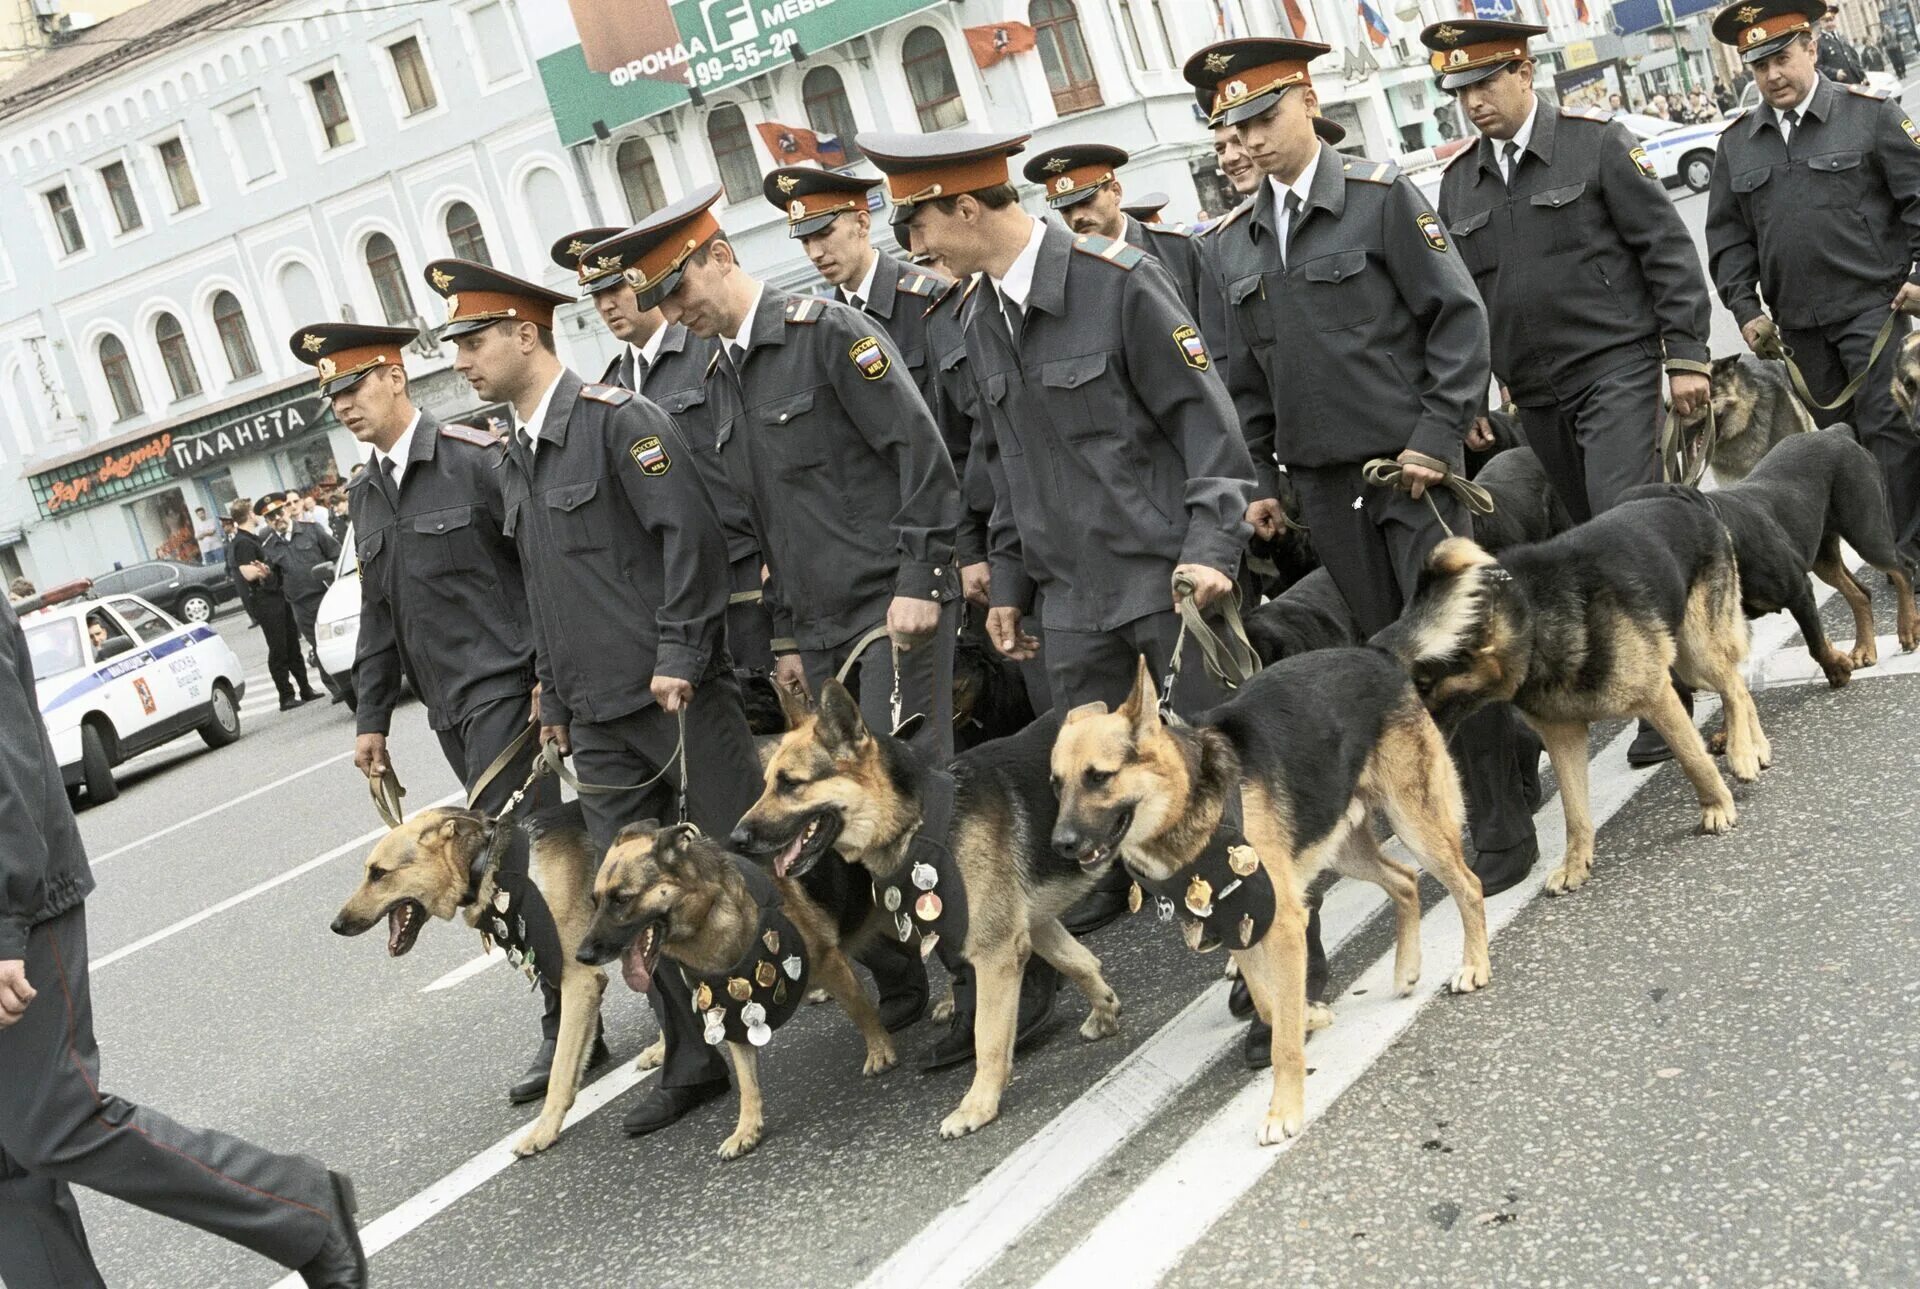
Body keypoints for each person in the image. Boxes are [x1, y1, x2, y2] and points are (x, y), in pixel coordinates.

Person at [863, 127, 1259, 954]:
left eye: (921, 224)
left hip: (1162, 578)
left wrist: (1214, 549)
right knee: (1107, 787)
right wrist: (1007, 582)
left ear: (967, 208)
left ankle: (1276, 961)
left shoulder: (1116, 284)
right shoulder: (971, 315)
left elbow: (1207, 425)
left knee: (1210, 784)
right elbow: (1001, 464)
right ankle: (1212, 942)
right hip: (1070, 603)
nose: (916, 245)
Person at [1185, 38, 1543, 902]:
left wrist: (1434, 434)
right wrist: (1263, 484)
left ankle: (1500, 825)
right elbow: (1243, 379)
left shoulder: (1381, 202)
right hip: (1321, 491)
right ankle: (1466, 798)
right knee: (1388, 673)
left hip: (1408, 475)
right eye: (1237, 126)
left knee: (1451, 649)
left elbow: (1457, 320)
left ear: (1307, 101)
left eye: (1266, 116)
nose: (1254, 139)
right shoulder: (1230, 244)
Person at [427, 257, 764, 1137]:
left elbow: (690, 538)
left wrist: (682, 651)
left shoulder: (620, 422)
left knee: (741, 859)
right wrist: (552, 696)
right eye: (455, 343)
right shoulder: (513, 456)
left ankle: (864, 980)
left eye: (473, 339)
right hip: (597, 718)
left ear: (526, 334)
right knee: (628, 896)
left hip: (674, 697)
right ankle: (692, 1058)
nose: (460, 359)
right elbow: (541, 591)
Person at [0, 595, 368, 1289]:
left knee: (54, 1122)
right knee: (8, 1164)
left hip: (18, 905)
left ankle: (302, 1206)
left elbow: (2, 763)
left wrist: (3, 921)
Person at [291, 321, 588, 1107]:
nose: (345, 406)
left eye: (353, 386)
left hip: (511, 695)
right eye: (333, 396)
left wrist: (547, 676)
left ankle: (570, 1018)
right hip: (450, 712)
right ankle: (571, 1001)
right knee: (507, 870)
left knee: (526, 867)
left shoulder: (472, 455)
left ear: (394, 376)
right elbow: (380, 616)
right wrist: (370, 719)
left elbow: (540, 566)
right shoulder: (365, 490)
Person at [1425, 20, 1716, 766]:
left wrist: (1686, 357)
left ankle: (1669, 702)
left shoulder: (1596, 144)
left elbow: (1669, 253)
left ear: (1525, 73)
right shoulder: (1460, 181)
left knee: (1624, 529)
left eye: (1486, 82)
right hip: (1535, 394)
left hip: (1613, 366)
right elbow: (1466, 305)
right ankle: (1658, 677)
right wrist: (1473, 401)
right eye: (1459, 90)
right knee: (1587, 540)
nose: (1474, 102)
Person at [622, 187, 966, 763]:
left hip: (890, 606)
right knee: (854, 807)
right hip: (818, 629)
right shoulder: (718, 377)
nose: (676, 313)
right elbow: (768, 524)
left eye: (679, 290)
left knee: (904, 788)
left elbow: (921, 456)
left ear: (722, 258)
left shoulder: (828, 333)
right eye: (663, 302)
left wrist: (921, 579)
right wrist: (787, 637)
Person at [1707, 0, 1920, 563]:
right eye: (1758, 66)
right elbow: (1729, 241)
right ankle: (1886, 554)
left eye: (1781, 58)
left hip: (1875, 311)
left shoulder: (1870, 116)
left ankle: (1908, 561)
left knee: (1890, 435)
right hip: (1798, 329)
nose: (1772, 75)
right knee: (1839, 446)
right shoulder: (1736, 143)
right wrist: (1745, 310)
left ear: (1812, 48)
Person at [553, 227, 774, 675]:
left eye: (616, 287)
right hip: (682, 590)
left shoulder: (709, 349)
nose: (606, 305)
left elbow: (762, 460)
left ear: (646, 279)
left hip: (749, 570)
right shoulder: (614, 385)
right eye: (596, 296)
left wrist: (777, 560)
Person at [760, 168, 949, 411]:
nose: (815, 253)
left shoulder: (929, 297)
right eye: (805, 241)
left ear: (862, 223)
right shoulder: (821, 326)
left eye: (824, 234)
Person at [1020, 144, 1213, 332]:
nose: (1077, 216)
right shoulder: (1065, 274)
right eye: (1065, 209)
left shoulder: (1177, 247)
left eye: (1086, 201)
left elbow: (1221, 331)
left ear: (1116, 192)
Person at [227, 495, 319, 710]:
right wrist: (263, 571)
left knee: (292, 644)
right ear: (249, 515)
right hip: (265, 600)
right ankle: (285, 695)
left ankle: (305, 688)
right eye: (254, 512)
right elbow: (247, 573)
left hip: (278, 595)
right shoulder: (242, 542)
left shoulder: (253, 538)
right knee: (278, 648)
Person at [256, 493, 347, 704]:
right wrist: (266, 575)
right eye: (271, 517)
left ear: (287, 510)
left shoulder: (311, 530)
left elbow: (336, 555)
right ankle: (337, 688)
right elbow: (274, 583)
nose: (277, 518)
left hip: (325, 594)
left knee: (337, 636)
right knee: (317, 644)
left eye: (279, 512)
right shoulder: (269, 546)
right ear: (267, 522)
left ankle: (355, 678)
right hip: (300, 602)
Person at [1817, 3, 1867, 83]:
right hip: (1839, 85)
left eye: (1832, 19)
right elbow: (1817, 66)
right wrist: (1834, 73)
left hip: (1855, 81)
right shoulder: (1819, 42)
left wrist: (1863, 76)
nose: (1830, 24)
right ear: (1820, 22)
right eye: (1826, 21)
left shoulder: (1842, 37)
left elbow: (1854, 59)